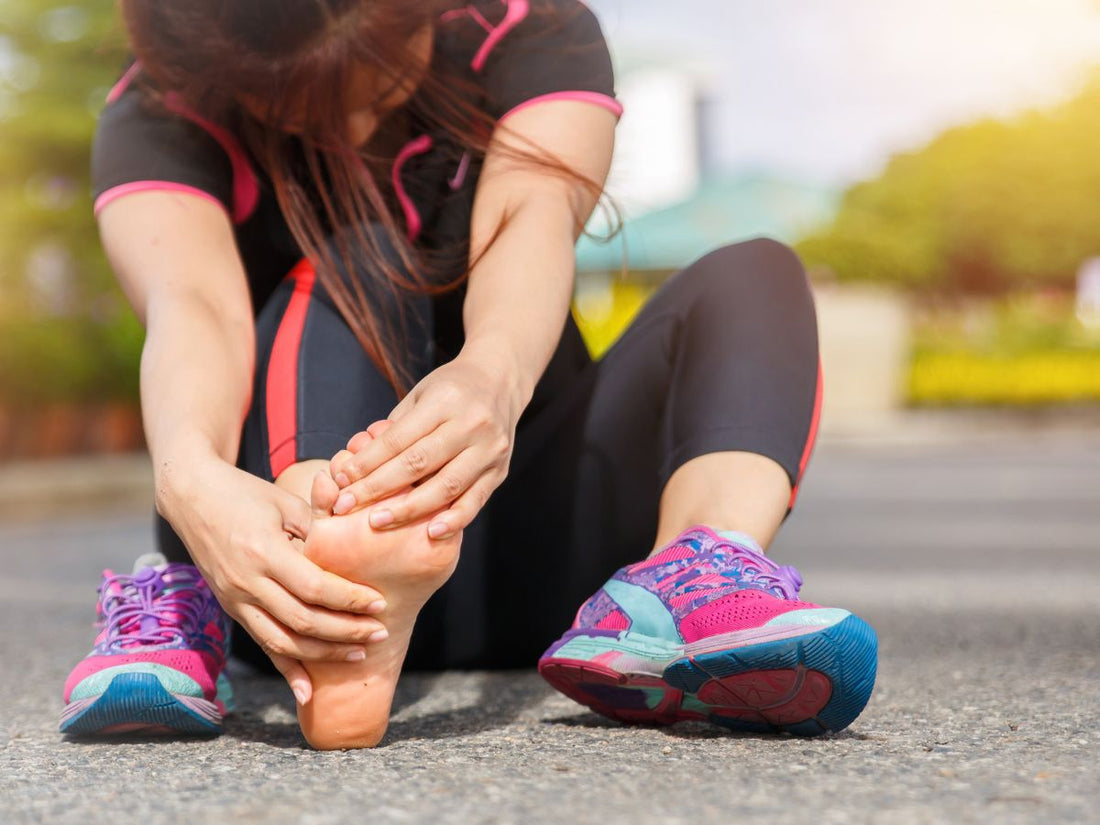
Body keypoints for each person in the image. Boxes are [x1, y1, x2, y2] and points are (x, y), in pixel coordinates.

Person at [60, 0, 877, 748]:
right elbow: (194, 309)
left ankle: (689, 579)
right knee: (355, 252)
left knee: (757, 273)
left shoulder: (526, 27)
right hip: (281, 586)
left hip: (547, 561)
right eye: (298, 103)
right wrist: (190, 482)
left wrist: (490, 377)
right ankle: (333, 561)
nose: (353, 119)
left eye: (380, 71)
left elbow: (532, 213)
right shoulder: (158, 111)